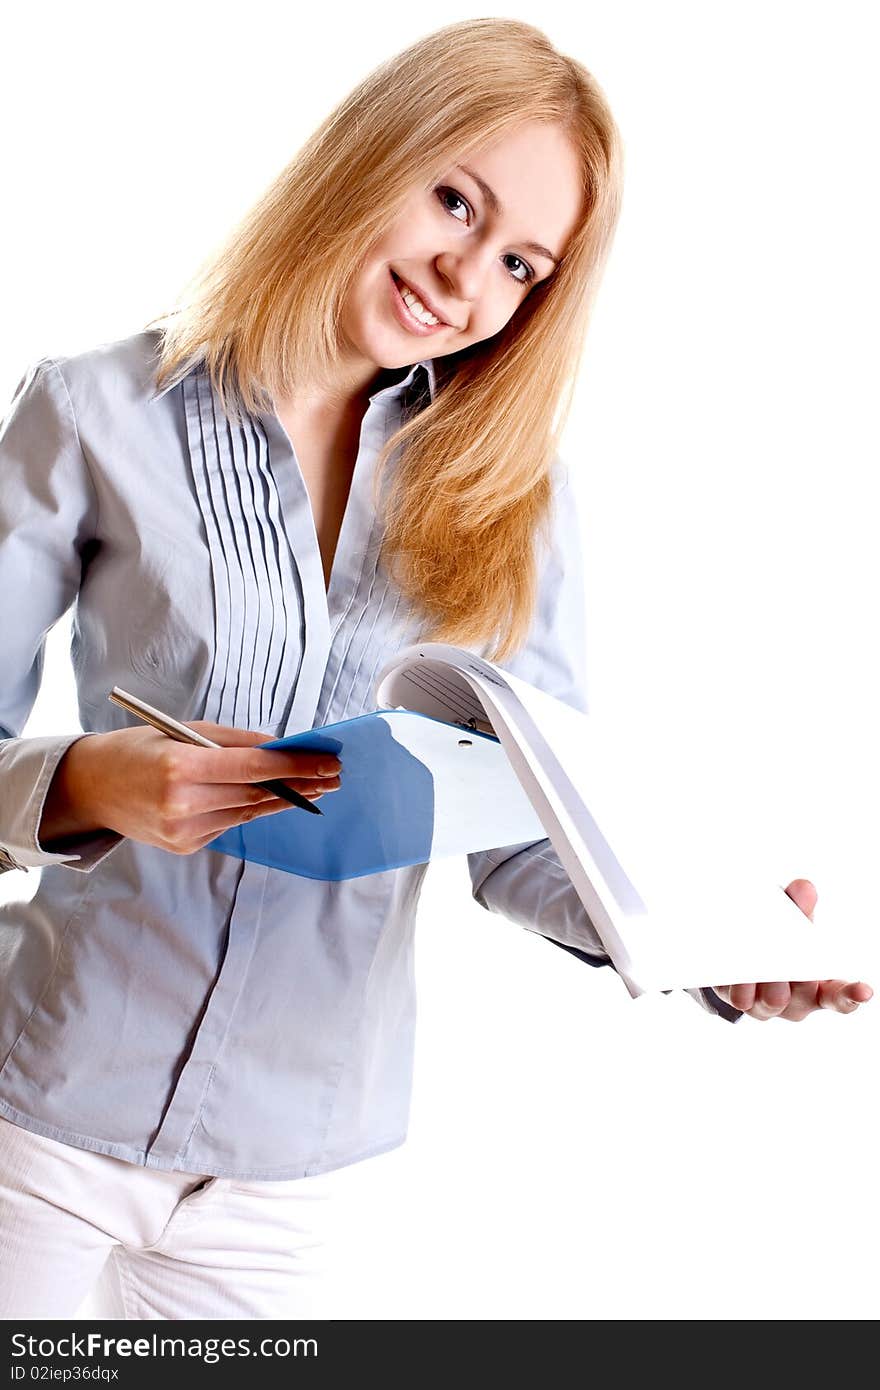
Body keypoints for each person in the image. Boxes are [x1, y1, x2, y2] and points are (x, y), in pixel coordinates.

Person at [0, 18, 871, 1321]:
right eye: (455, 199)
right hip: (45, 1122)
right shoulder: (91, 410)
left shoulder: (516, 501)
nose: (465, 276)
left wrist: (705, 948)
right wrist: (86, 783)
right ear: (373, 151)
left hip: (297, 1188)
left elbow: (527, 838)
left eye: (521, 261)